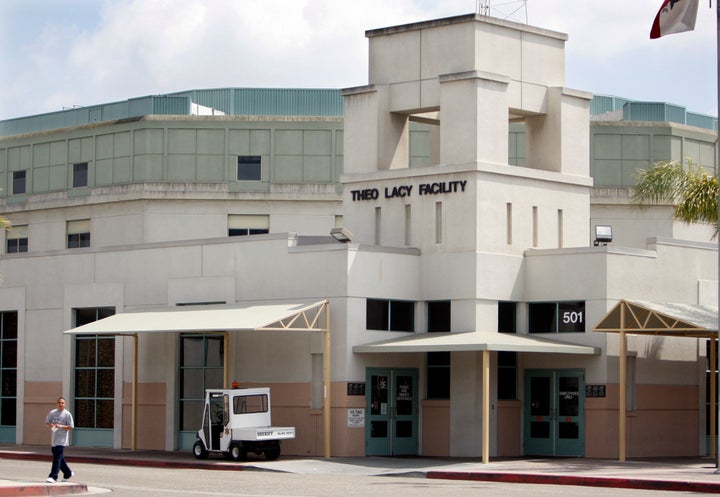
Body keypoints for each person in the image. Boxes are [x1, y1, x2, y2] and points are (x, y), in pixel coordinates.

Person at [44, 397, 74, 483]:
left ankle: (53, 476)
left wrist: (61, 426)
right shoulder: (52, 413)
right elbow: (46, 423)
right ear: (57, 403)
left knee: (57, 457)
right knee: (59, 457)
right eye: (59, 402)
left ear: (65, 404)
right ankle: (68, 473)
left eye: (62, 403)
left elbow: (71, 426)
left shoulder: (67, 414)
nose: (61, 404)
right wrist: (51, 425)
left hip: (62, 439)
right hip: (54, 438)